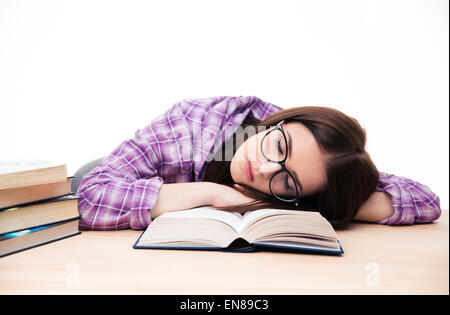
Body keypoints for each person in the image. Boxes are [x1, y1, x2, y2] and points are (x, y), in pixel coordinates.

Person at [76, 96, 441, 230]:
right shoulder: (192, 126)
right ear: (281, 121)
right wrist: (212, 194)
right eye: (277, 144)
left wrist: (323, 205)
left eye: (287, 182)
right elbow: (92, 196)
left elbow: (423, 201)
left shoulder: (329, 165)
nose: (265, 167)